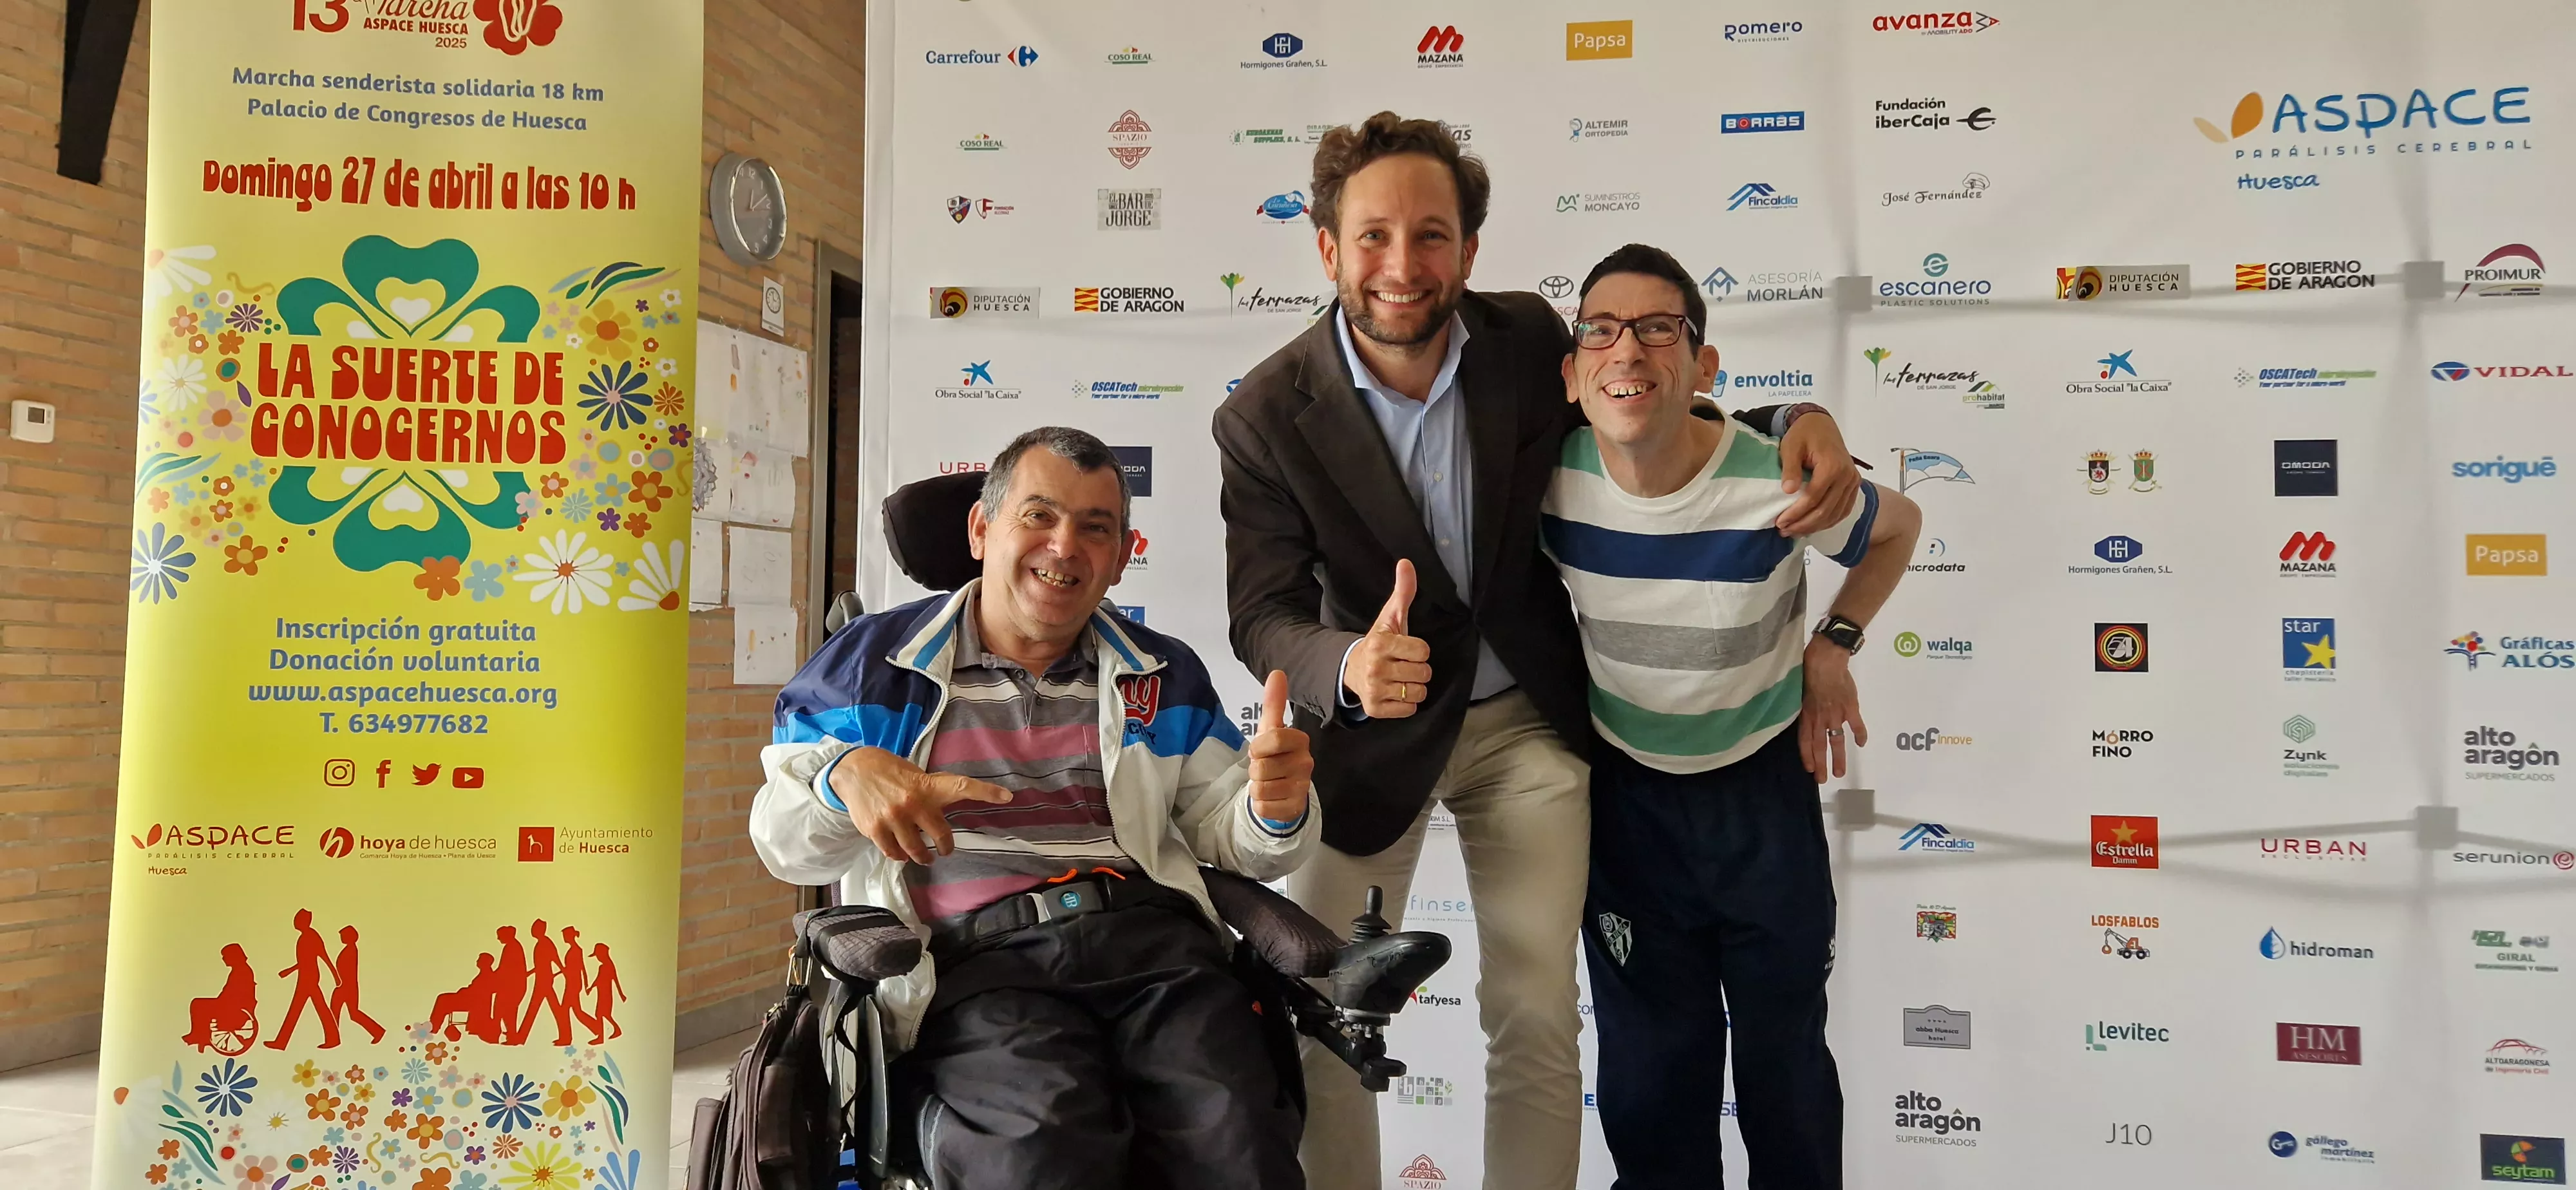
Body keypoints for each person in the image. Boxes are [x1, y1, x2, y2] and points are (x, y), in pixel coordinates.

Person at [1213, 111, 1861, 1189]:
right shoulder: (1266, 415)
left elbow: (1647, 404)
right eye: (1374, 236)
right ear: (1328, 249)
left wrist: (1797, 414)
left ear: (1469, 249)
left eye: (1432, 235)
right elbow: (1261, 613)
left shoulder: (1522, 339)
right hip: (1371, 742)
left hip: (1527, 726)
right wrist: (1343, 665)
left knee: (1536, 1009)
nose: (1403, 265)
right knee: (1328, 1011)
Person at [750, 426, 1321, 1190]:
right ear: (981, 530)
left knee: (1236, 1139)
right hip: (980, 966)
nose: (1064, 546)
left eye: (1095, 528)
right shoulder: (870, 667)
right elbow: (784, 843)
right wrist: (842, 778)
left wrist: (1272, 808)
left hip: (1156, 956)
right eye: (1039, 516)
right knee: (1039, 1150)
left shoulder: (1163, 674)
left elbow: (1229, 831)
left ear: (1120, 557)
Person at [1546, 245, 1920, 1190]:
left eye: (1657, 328)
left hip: (1762, 801)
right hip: (1629, 810)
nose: (1627, 349)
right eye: (1601, 330)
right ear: (1573, 373)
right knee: (1649, 1093)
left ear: (1703, 366)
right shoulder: (1545, 485)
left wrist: (1833, 645)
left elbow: (1899, 529)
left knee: (1785, 1081)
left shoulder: (1776, 481)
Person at [266, 908, 339, 1049]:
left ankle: (282, 1042)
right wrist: (290, 971)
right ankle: (282, 1042)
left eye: (298, 920)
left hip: (310, 977)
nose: (295, 922)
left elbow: (324, 956)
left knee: (306, 1008)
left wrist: (335, 976)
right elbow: (304, 961)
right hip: (305, 976)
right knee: (309, 1007)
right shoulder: (304, 937)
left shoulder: (312, 936)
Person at [328, 925, 386, 1046]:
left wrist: (341, 983)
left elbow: (349, 970)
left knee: (340, 1013)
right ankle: (377, 1031)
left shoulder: (351, 950)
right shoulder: (350, 949)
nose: (341, 938)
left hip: (346, 986)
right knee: (346, 1013)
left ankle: (334, 1039)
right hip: (347, 986)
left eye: (343, 935)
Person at [587, 942, 625, 1043]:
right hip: (602, 994)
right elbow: (598, 980)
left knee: (601, 1014)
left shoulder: (608, 966)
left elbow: (615, 980)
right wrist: (591, 988)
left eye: (598, 956)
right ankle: (615, 1031)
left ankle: (601, 1037)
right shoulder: (604, 966)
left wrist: (621, 994)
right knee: (604, 1015)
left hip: (606, 995)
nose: (598, 958)